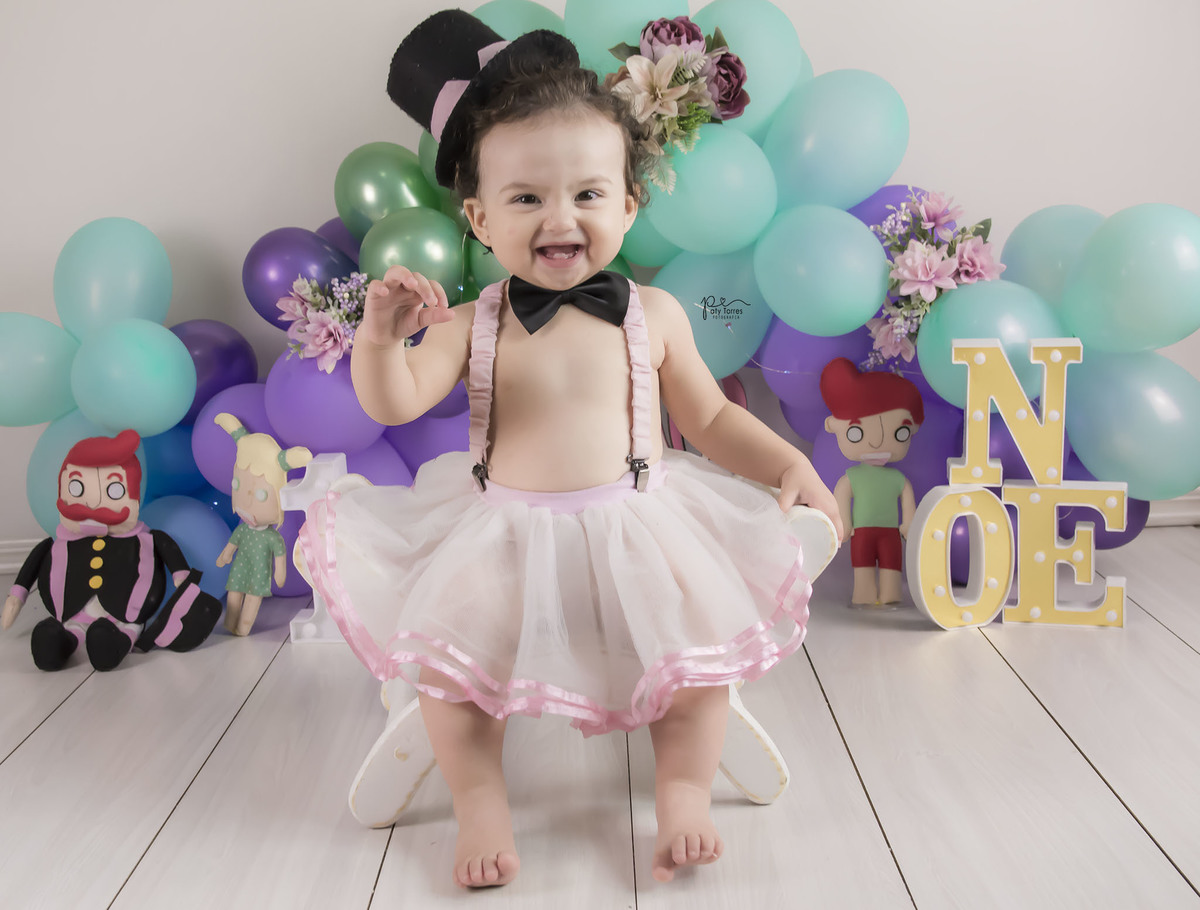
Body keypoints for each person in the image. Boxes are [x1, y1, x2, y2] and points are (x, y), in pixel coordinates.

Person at [299, 10, 843, 889]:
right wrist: (380, 339)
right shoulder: (472, 323)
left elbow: (708, 419)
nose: (561, 216)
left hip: (638, 528)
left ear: (629, 204)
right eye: (526, 198)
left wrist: (788, 462)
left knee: (695, 665)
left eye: (588, 194)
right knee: (447, 673)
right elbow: (392, 401)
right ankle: (480, 799)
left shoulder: (654, 316)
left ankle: (683, 792)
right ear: (479, 218)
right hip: (502, 537)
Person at [2, 430, 221, 670]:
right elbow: (33, 565)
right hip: (71, 613)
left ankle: (115, 643)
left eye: (114, 490)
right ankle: (59, 641)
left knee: (111, 636)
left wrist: (183, 581)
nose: (93, 503)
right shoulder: (59, 542)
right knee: (58, 635)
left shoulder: (148, 539)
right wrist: (16, 596)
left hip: (126, 616)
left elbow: (172, 557)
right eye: (77, 488)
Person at [820, 357, 924, 606]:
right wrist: (844, 524)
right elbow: (841, 496)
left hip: (890, 533)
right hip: (862, 533)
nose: (876, 442)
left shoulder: (897, 479)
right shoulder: (853, 477)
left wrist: (909, 524)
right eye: (856, 432)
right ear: (833, 427)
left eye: (900, 433)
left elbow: (907, 500)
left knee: (891, 565)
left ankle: (891, 595)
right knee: (862, 565)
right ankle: (864, 595)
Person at [213, 413, 312, 636]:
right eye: (237, 485)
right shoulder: (242, 529)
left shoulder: (271, 537)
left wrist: (280, 573)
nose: (247, 502)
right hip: (240, 568)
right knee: (234, 593)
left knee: (252, 598)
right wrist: (226, 555)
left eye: (260, 494)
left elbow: (279, 556)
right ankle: (230, 622)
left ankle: (243, 626)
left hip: (259, 573)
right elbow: (233, 543)